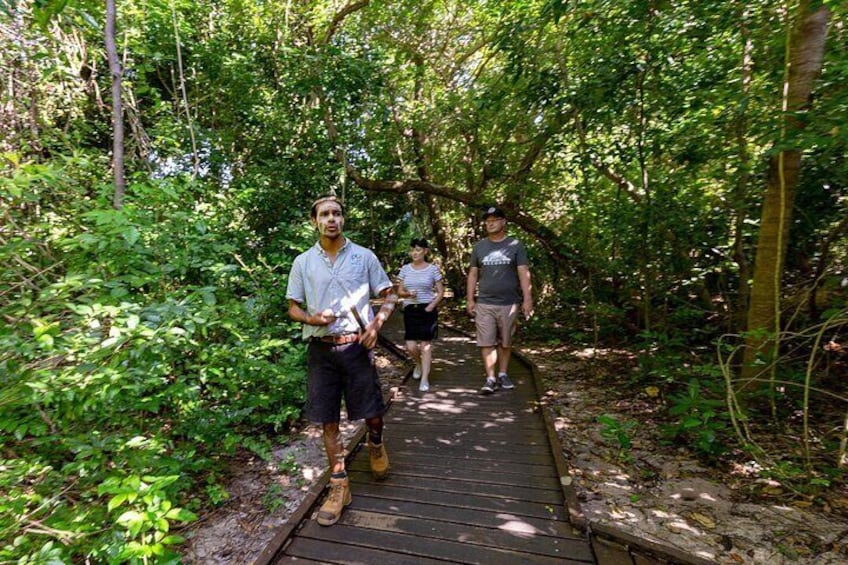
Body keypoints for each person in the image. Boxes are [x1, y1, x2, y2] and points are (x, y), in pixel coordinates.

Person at [285, 195, 398, 526]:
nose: (331, 219)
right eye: (324, 214)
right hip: (321, 350)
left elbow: (390, 293)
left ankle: (375, 445)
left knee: (373, 414)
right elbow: (292, 306)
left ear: (343, 219)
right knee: (328, 420)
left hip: (356, 347)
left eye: (336, 213)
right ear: (314, 221)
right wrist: (311, 319)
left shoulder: (364, 257)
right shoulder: (303, 262)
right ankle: (339, 486)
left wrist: (376, 324)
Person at [466, 205, 533, 395]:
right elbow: (472, 274)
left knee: (506, 341)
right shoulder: (479, 247)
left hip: (509, 302)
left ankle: (503, 373)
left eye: (494, 220)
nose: (490, 223)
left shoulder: (515, 245)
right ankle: (490, 378)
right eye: (487, 221)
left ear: (503, 222)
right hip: (485, 302)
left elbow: (523, 272)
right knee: (486, 342)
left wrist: (527, 299)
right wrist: (470, 299)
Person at [396, 238, 445, 392]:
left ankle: (424, 378)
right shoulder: (405, 269)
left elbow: (440, 292)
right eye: (413, 250)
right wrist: (408, 293)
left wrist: (432, 305)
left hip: (427, 309)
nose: (414, 253)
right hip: (410, 308)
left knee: (426, 345)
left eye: (418, 250)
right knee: (410, 346)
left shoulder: (433, 269)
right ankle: (418, 363)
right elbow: (399, 291)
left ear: (425, 251)